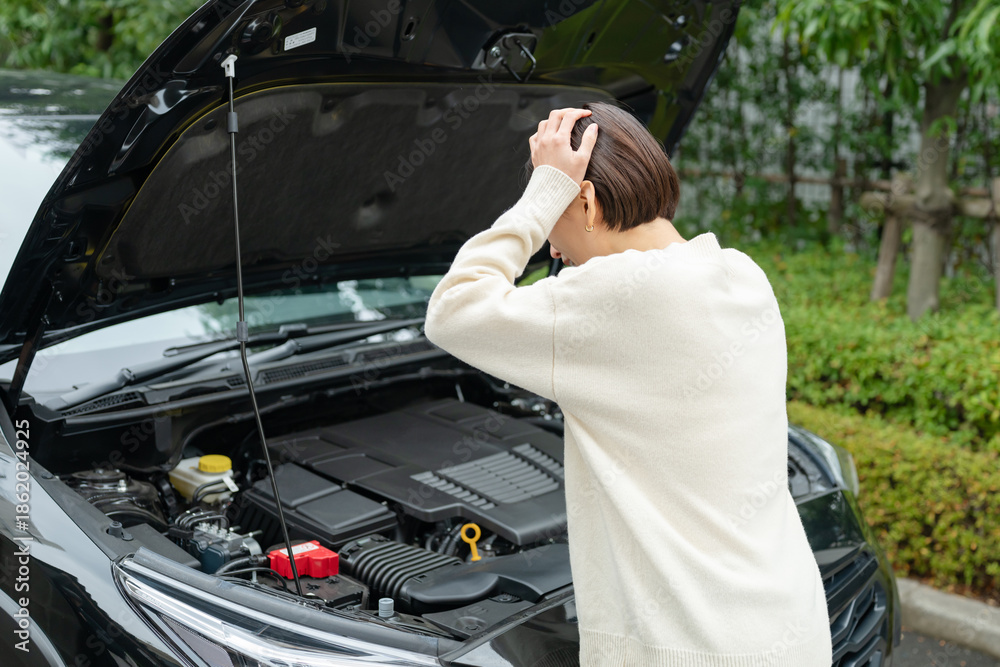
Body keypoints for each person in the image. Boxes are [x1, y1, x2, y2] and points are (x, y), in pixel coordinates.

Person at [423, 101, 833, 666]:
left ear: (585, 202)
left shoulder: (612, 298)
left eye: (554, 228)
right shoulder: (742, 274)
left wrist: (540, 197)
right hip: (789, 626)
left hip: (688, 647)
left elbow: (452, 310)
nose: (554, 251)